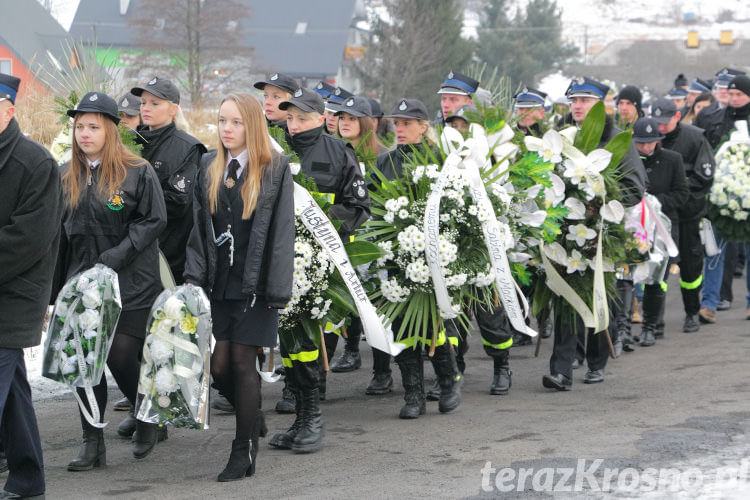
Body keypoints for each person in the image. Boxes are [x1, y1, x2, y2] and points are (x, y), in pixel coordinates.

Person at [184, 92, 293, 479]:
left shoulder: (275, 168)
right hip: (220, 285)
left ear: (252, 125)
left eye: (235, 122)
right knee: (217, 367)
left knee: (244, 363)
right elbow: (199, 229)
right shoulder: (209, 165)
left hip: (257, 287)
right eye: (222, 121)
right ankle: (253, 417)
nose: (227, 129)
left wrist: (277, 291)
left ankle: (242, 450)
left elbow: (282, 234)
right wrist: (193, 281)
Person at [58, 92, 167, 468]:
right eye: (79, 127)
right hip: (81, 287)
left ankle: (147, 413)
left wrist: (115, 257)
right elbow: (59, 237)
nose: (84, 134)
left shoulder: (136, 170)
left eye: (92, 127)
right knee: (84, 364)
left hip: (131, 284)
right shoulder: (65, 174)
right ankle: (92, 442)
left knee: (121, 354)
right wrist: (55, 291)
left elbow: (154, 221)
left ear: (110, 129)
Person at [268, 88, 369, 450]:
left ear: (320, 118)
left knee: (309, 340)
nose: (293, 125)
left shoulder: (339, 152)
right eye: (289, 117)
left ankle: (312, 420)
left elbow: (358, 205)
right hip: (280, 260)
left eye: (300, 117)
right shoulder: (273, 152)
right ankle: (300, 420)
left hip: (319, 262)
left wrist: (324, 228)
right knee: (290, 342)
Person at [545, 76, 646, 390]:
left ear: (603, 104)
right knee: (565, 296)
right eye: (573, 100)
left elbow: (635, 188)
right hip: (565, 233)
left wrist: (598, 204)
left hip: (604, 234)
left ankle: (596, 360)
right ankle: (561, 370)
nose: (576, 106)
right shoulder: (563, 139)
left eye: (584, 100)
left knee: (601, 296)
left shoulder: (619, 140)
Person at [374, 98, 462, 418]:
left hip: (435, 258)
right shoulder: (385, 163)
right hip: (397, 259)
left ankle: (449, 380)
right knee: (401, 327)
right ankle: (414, 395)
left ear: (423, 127)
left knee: (434, 325)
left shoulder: (441, 160)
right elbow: (373, 207)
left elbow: (455, 208)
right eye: (397, 123)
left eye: (407, 123)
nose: (399, 129)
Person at [0, 73, 61, 499]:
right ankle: (28, 478)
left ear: (8, 108)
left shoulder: (34, 163)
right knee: (14, 392)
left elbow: (28, 240)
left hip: (16, 292)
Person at [332, 96, 391, 392]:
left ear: (366, 123)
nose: (344, 123)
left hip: (371, 242)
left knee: (376, 308)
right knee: (341, 301)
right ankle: (349, 351)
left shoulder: (384, 156)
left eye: (352, 118)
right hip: (340, 237)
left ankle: (382, 372)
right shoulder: (333, 153)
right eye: (341, 117)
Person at [130, 77, 206, 284]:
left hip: (168, 255)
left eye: (155, 103)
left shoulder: (188, 148)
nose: (146, 108)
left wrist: (131, 197)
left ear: (173, 109)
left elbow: (176, 203)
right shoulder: (127, 141)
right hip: (127, 248)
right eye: (144, 102)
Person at [653, 97, 715, 332]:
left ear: (677, 117)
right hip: (659, 216)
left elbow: (704, 176)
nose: (660, 128)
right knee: (658, 267)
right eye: (656, 122)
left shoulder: (695, 138)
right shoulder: (649, 138)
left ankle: (691, 313)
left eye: (665, 122)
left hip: (688, 212)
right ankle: (655, 319)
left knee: (690, 267)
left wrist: (677, 194)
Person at [694, 76, 750, 324]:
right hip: (718, 196)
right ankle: (709, 303)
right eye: (731, 94)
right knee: (714, 252)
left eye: (740, 95)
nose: (735, 99)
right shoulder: (711, 118)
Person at [629, 118, 689, 346]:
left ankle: (650, 327)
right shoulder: (627, 160)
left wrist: (654, 203)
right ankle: (624, 329)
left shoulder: (672, 160)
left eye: (651, 143)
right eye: (641, 143)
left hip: (662, 227)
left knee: (657, 279)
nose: (646, 147)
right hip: (633, 227)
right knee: (627, 278)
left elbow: (681, 193)